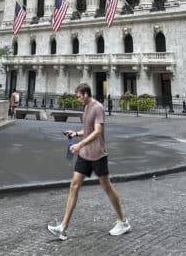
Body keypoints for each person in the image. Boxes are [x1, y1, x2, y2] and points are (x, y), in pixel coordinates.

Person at [48, 83, 130, 241]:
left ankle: (123, 221)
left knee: (107, 187)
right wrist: (76, 134)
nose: (78, 99)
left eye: (79, 96)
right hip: (85, 154)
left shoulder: (98, 107)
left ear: (85, 94)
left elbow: (98, 132)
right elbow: (88, 130)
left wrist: (79, 144)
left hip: (98, 155)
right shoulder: (85, 107)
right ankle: (63, 228)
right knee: (74, 185)